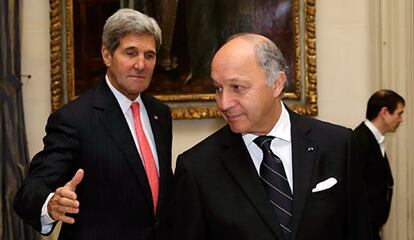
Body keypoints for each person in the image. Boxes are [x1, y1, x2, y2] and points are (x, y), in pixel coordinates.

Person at [171, 33, 371, 240]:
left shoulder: (338, 145)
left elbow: (359, 230)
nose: (224, 103)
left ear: (277, 83)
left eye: (237, 88)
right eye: (218, 89)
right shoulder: (197, 167)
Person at [14, 8, 173, 240]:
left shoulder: (160, 114)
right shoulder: (73, 119)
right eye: (131, 53)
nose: (141, 64)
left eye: (149, 55)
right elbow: (31, 190)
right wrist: (51, 205)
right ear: (107, 55)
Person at [352, 89, 405, 240]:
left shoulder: (374, 139)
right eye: (399, 113)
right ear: (384, 112)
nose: (401, 120)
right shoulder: (359, 141)